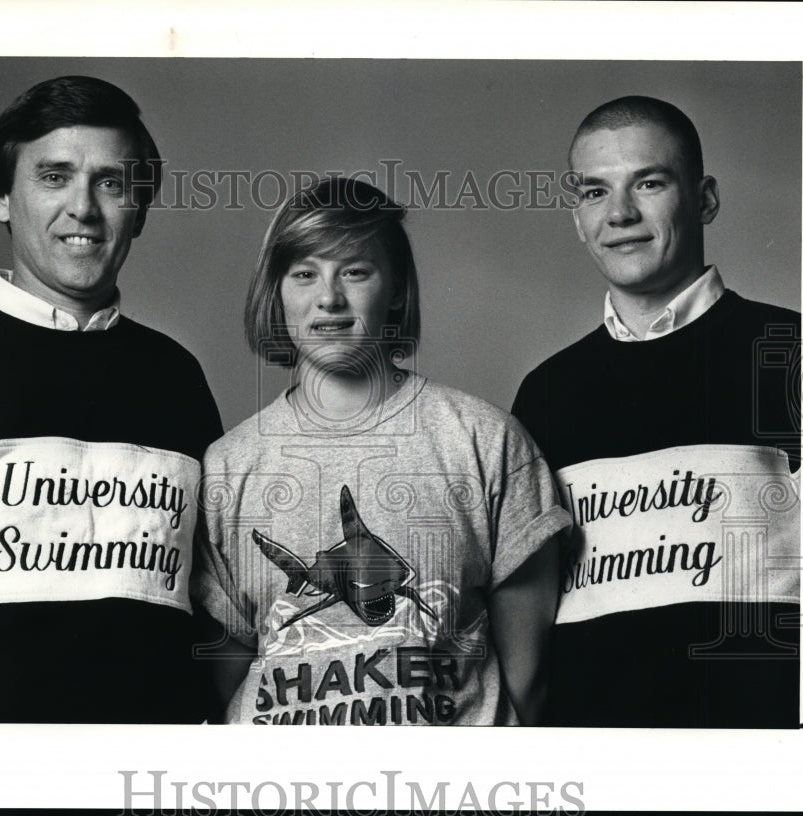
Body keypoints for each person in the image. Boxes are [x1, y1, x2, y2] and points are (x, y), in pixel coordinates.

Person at [0, 76, 223, 722]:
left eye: (112, 183)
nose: (84, 208)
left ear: (139, 209)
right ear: (2, 197)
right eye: (55, 177)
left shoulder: (179, 380)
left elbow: (211, 617)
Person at [193, 177, 570, 726]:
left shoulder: (485, 441)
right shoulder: (228, 466)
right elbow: (224, 673)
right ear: (277, 291)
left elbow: (530, 683)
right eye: (304, 274)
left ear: (395, 288)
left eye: (355, 271)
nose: (329, 298)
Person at [512, 95, 801, 728]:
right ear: (577, 218)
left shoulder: (796, 353)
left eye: (649, 183)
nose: (620, 214)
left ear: (704, 200)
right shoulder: (544, 393)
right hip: (598, 761)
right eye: (594, 192)